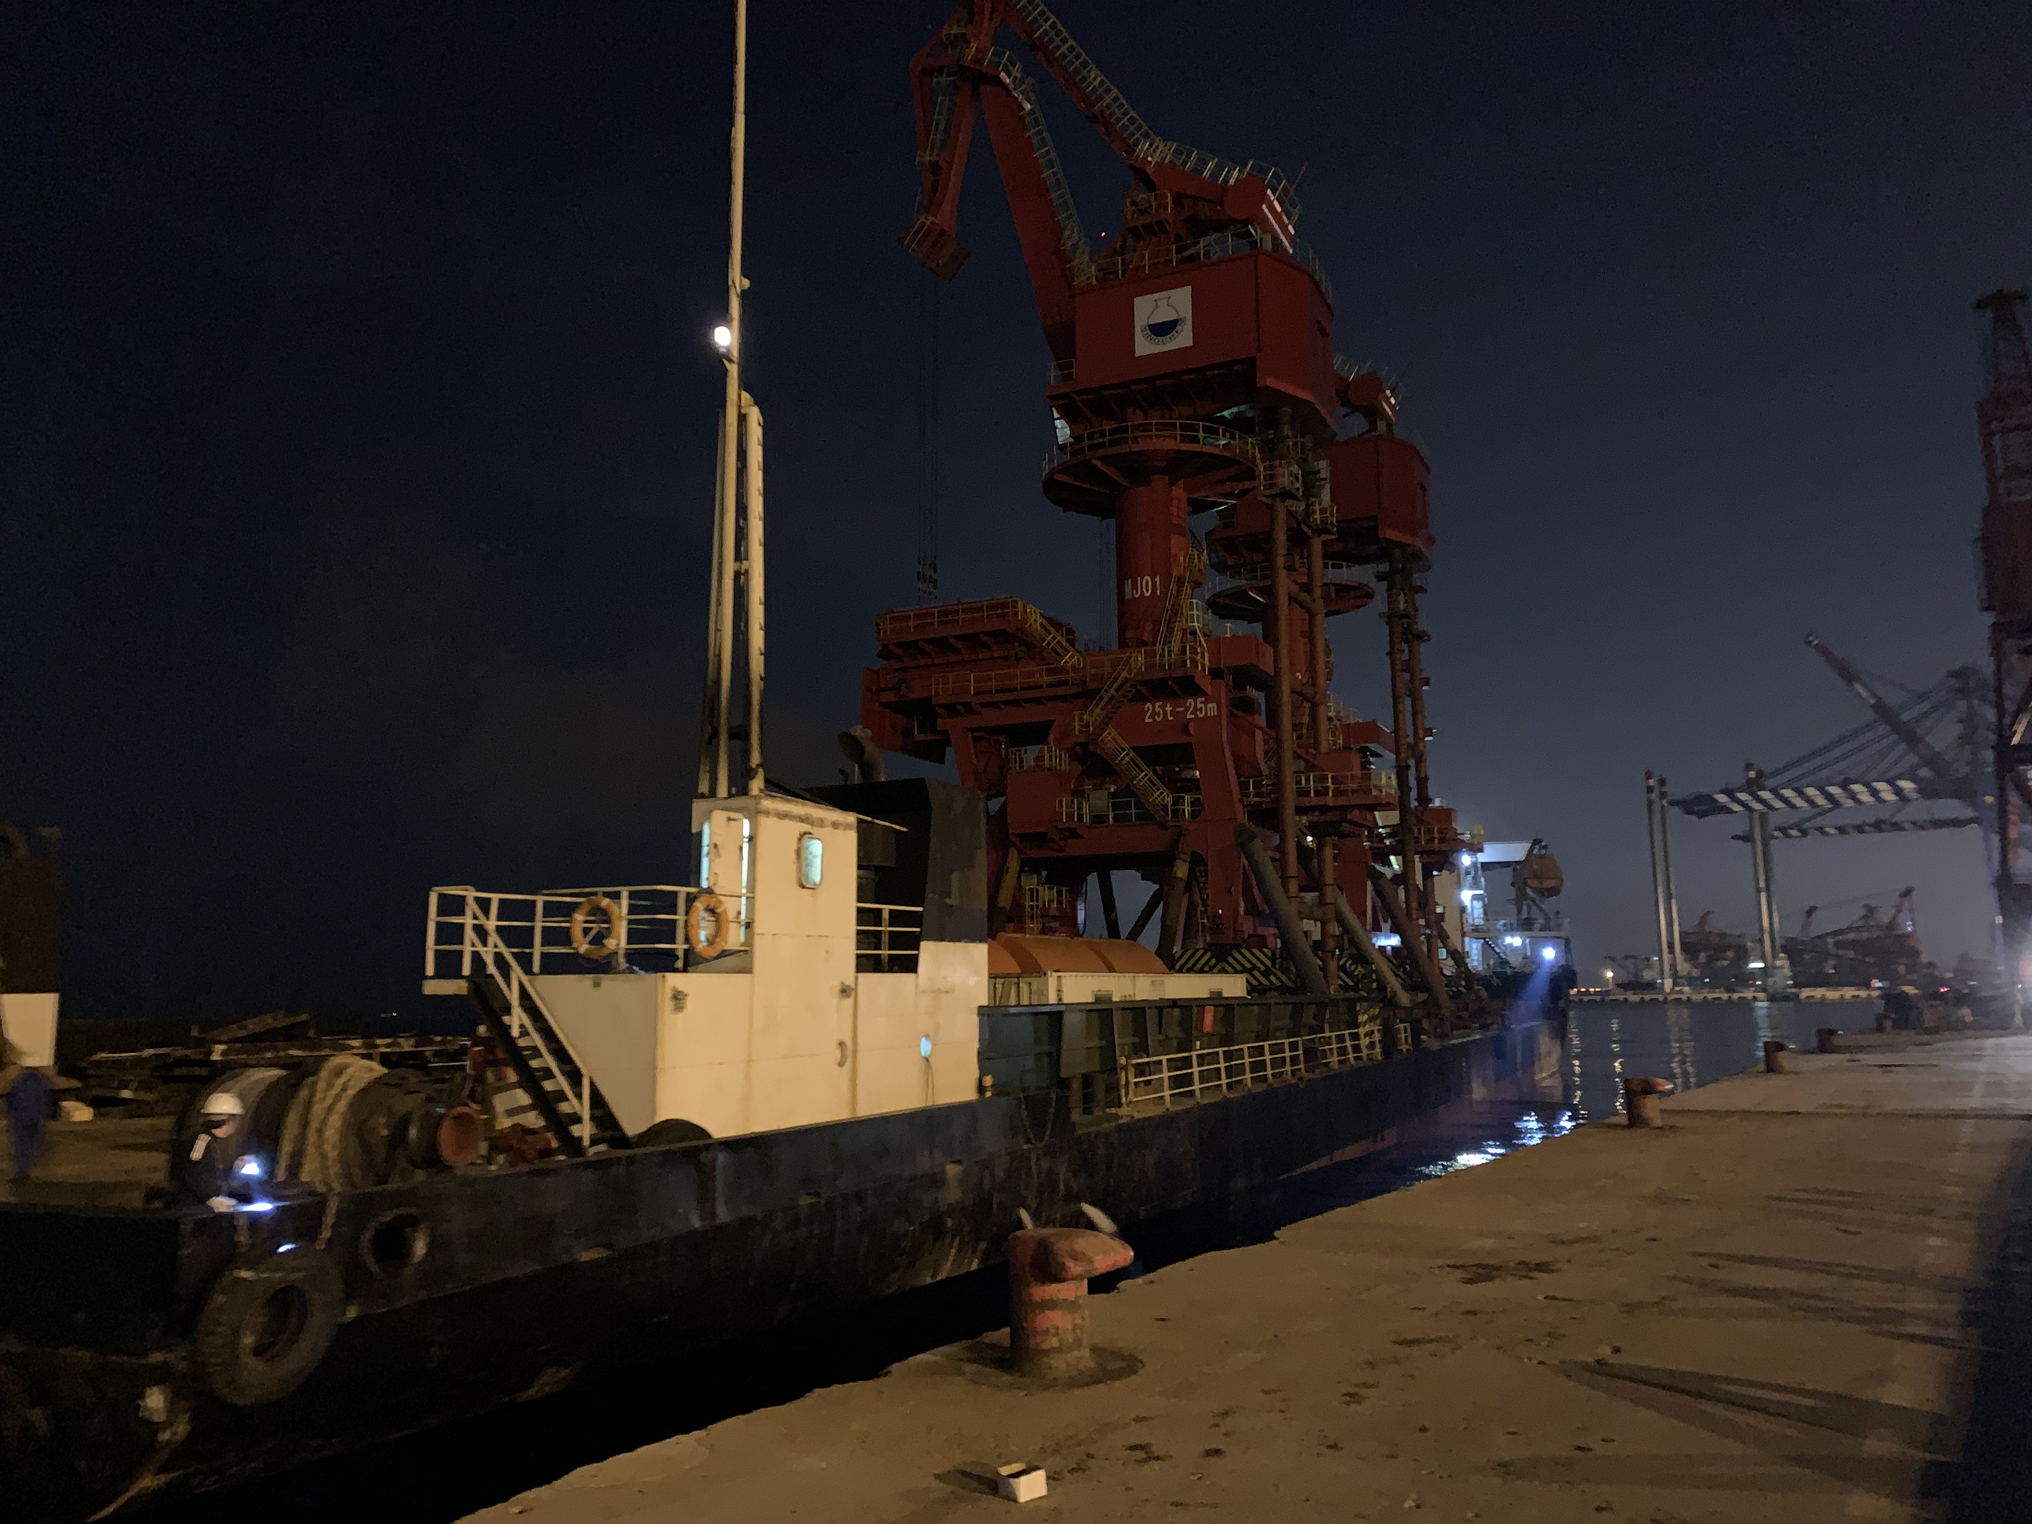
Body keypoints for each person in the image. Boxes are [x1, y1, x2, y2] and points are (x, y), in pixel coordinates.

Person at [3, 1036, 55, 1182]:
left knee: (21, 1146)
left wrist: (10, 1112)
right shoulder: (40, 1081)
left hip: (21, 1118)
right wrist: (45, 1113)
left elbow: (11, 1098)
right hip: (35, 1117)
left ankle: (23, 1171)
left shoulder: (18, 1082)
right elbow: (45, 1098)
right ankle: (34, 1169)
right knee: (33, 1143)